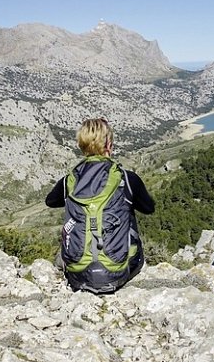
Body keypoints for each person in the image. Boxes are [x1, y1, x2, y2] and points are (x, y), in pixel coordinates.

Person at [45, 118, 155, 293]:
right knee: (128, 210)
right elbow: (149, 208)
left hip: (77, 275)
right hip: (117, 273)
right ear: (109, 145)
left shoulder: (69, 180)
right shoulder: (126, 178)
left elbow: (50, 201)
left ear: (82, 146)